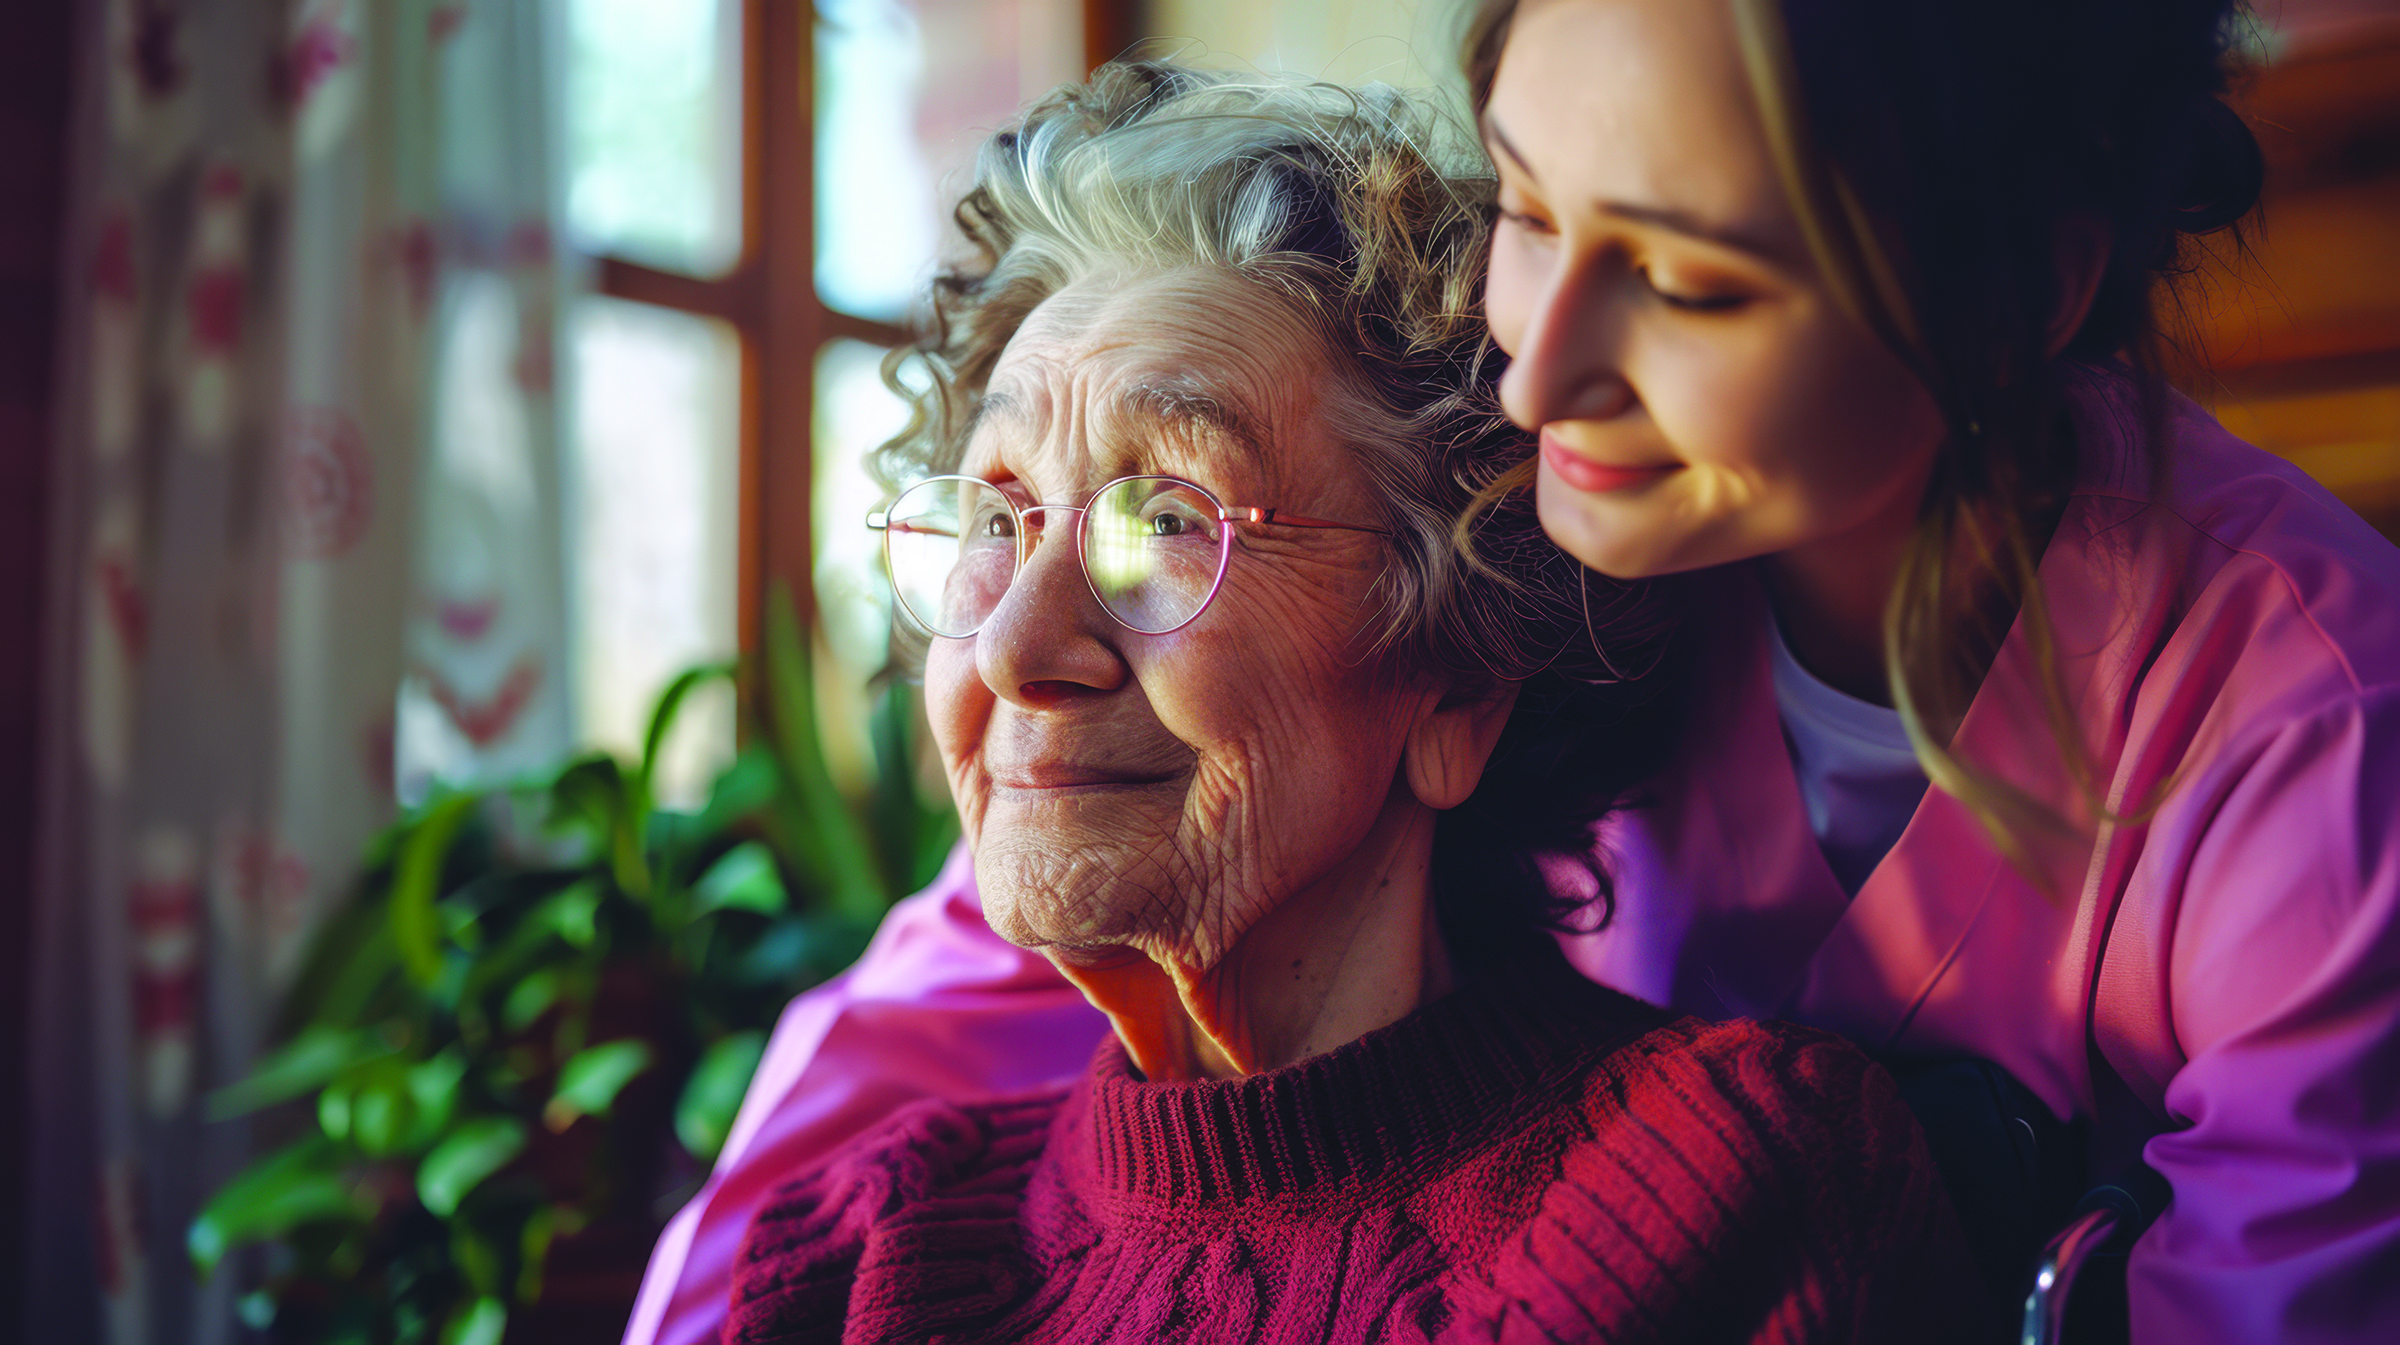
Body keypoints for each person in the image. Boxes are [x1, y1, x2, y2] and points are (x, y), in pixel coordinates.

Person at [628, 3, 2400, 1343]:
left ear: (2009, 298)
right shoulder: (1567, 530)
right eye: (1532, 212)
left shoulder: (2309, 725)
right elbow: (1000, 909)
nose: (1537, 372)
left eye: (1691, 283)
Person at [719, 63, 1976, 1344]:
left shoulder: (1723, 1194)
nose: (1015, 647)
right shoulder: (856, 1248)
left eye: (1163, 521)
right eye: (998, 515)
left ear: (1456, 679)